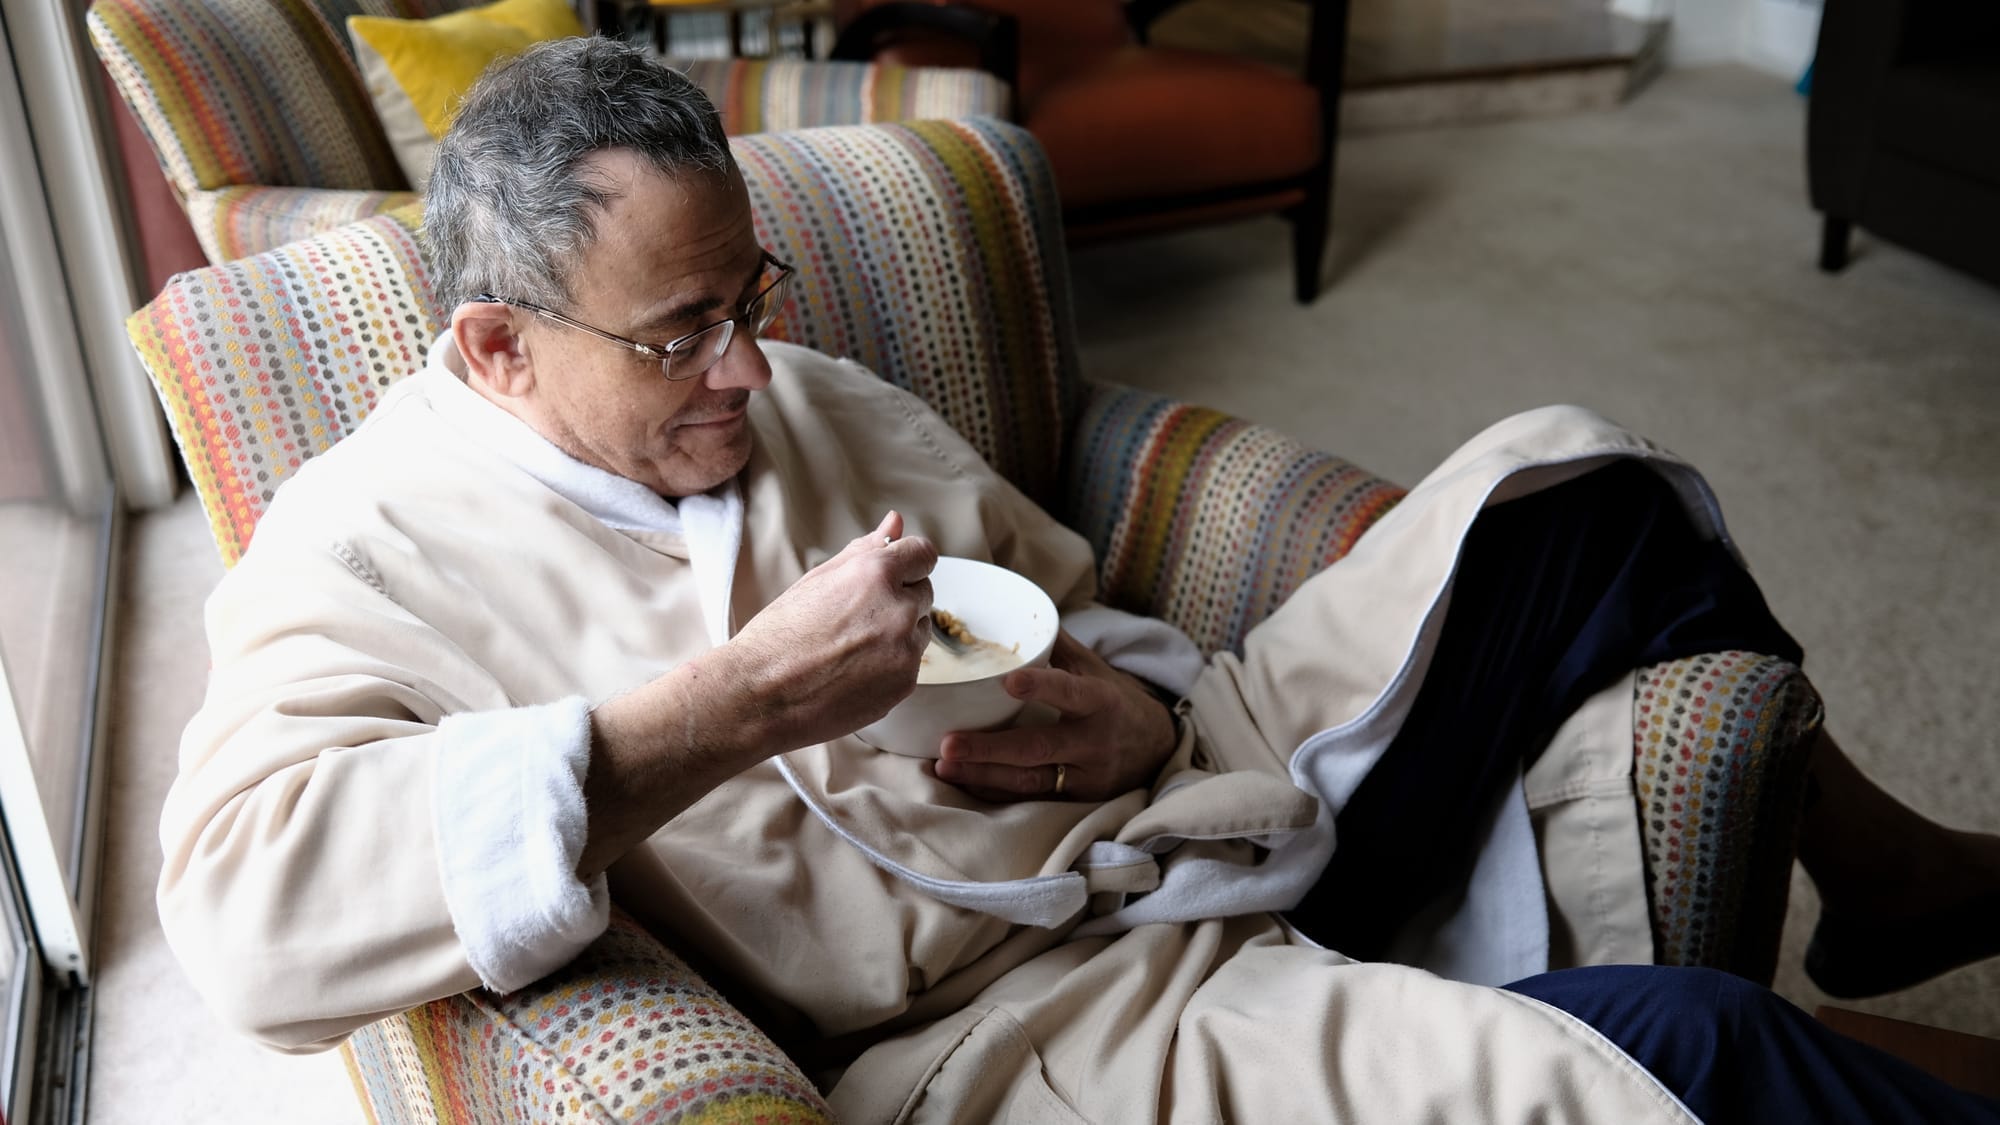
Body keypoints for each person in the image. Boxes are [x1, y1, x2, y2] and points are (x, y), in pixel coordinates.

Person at [157, 36, 2000, 1123]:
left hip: (1187, 784)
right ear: (493, 347)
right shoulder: (362, 550)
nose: (743, 368)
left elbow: (1064, 596)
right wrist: (736, 704)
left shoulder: (795, 392)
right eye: (678, 334)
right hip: (1043, 1019)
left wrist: (1122, 698)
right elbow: (244, 921)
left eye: (753, 297)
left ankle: (1889, 873)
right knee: (1694, 1048)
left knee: (1571, 481)